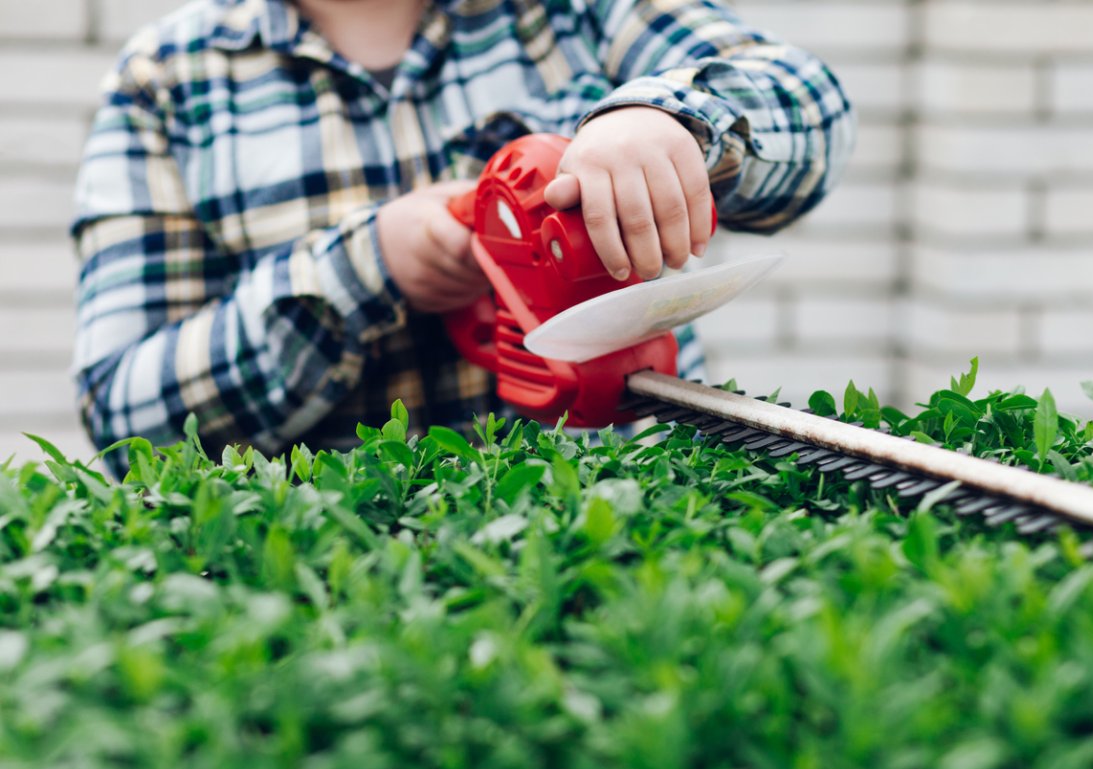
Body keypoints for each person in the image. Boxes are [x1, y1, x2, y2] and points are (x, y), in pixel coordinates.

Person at [72, 0, 855, 473]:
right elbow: (125, 418)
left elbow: (812, 107)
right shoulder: (169, 79)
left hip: (632, 532)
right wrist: (367, 267)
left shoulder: (579, 11)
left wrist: (670, 121)